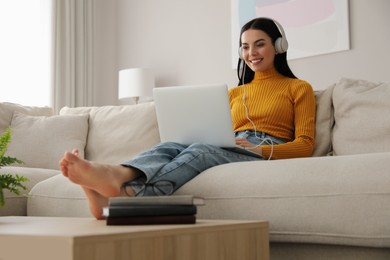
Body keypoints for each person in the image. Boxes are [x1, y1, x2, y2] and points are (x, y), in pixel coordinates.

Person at [59, 17, 316, 219]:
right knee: (169, 145)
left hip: (265, 147)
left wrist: (260, 150)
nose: (251, 53)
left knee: (201, 151)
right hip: (232, 143)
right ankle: (116, 173)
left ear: (278, 46)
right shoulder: (235, 93)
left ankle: (130, 193)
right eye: (245, 47)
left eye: (260, 43)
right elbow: (216, 129)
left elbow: (305, 145)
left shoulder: (298, 87)